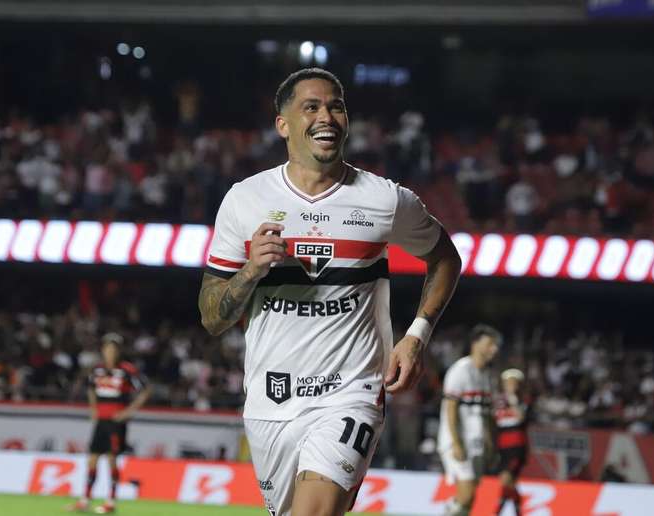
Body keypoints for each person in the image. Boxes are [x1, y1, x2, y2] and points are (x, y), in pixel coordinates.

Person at [198, 68, 462, 516]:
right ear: (283, 125)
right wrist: (250, 271)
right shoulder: (244, 200)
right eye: (312, 107)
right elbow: (211, 316)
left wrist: (416, 336)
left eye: (336, 106)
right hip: (271, 400)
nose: (327, 116)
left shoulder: (385, 200)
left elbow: (445, 258)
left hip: (351, 392)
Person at [68, 333, 150, 514]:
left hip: (116, 423)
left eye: (113, 349)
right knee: (92, 459)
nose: (110, 352)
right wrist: (93, 408)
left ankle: (111, 501)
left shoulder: (127, 370)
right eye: (107, 349)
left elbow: (145, 390)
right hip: (101, 421)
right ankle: (85, 500)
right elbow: (91, 389)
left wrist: (129, 411)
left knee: (112, 459)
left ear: (118, 351)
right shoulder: (97, 370)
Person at [437, 325, 501, 516]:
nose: (494, 349)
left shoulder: (488, 376)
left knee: (470, 498)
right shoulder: (460, 370)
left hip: (477, 443)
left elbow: (487, 414)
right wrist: (456, 443)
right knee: (466, 494)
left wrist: (490, 442)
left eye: (495, 345)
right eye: (490, 344)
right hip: (458, 441)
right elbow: (450, 409)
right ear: (475, 344)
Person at [493, 368, 529, 516]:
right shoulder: (498, 402)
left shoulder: (523, 401)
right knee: (509, 483)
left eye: (514, 382)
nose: (510, 385)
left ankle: (497, 512)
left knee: (506, 479)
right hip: (502, 446)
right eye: (508, 383)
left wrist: (512, 398)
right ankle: (517, 510)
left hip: (517, 445)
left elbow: (520, 417)